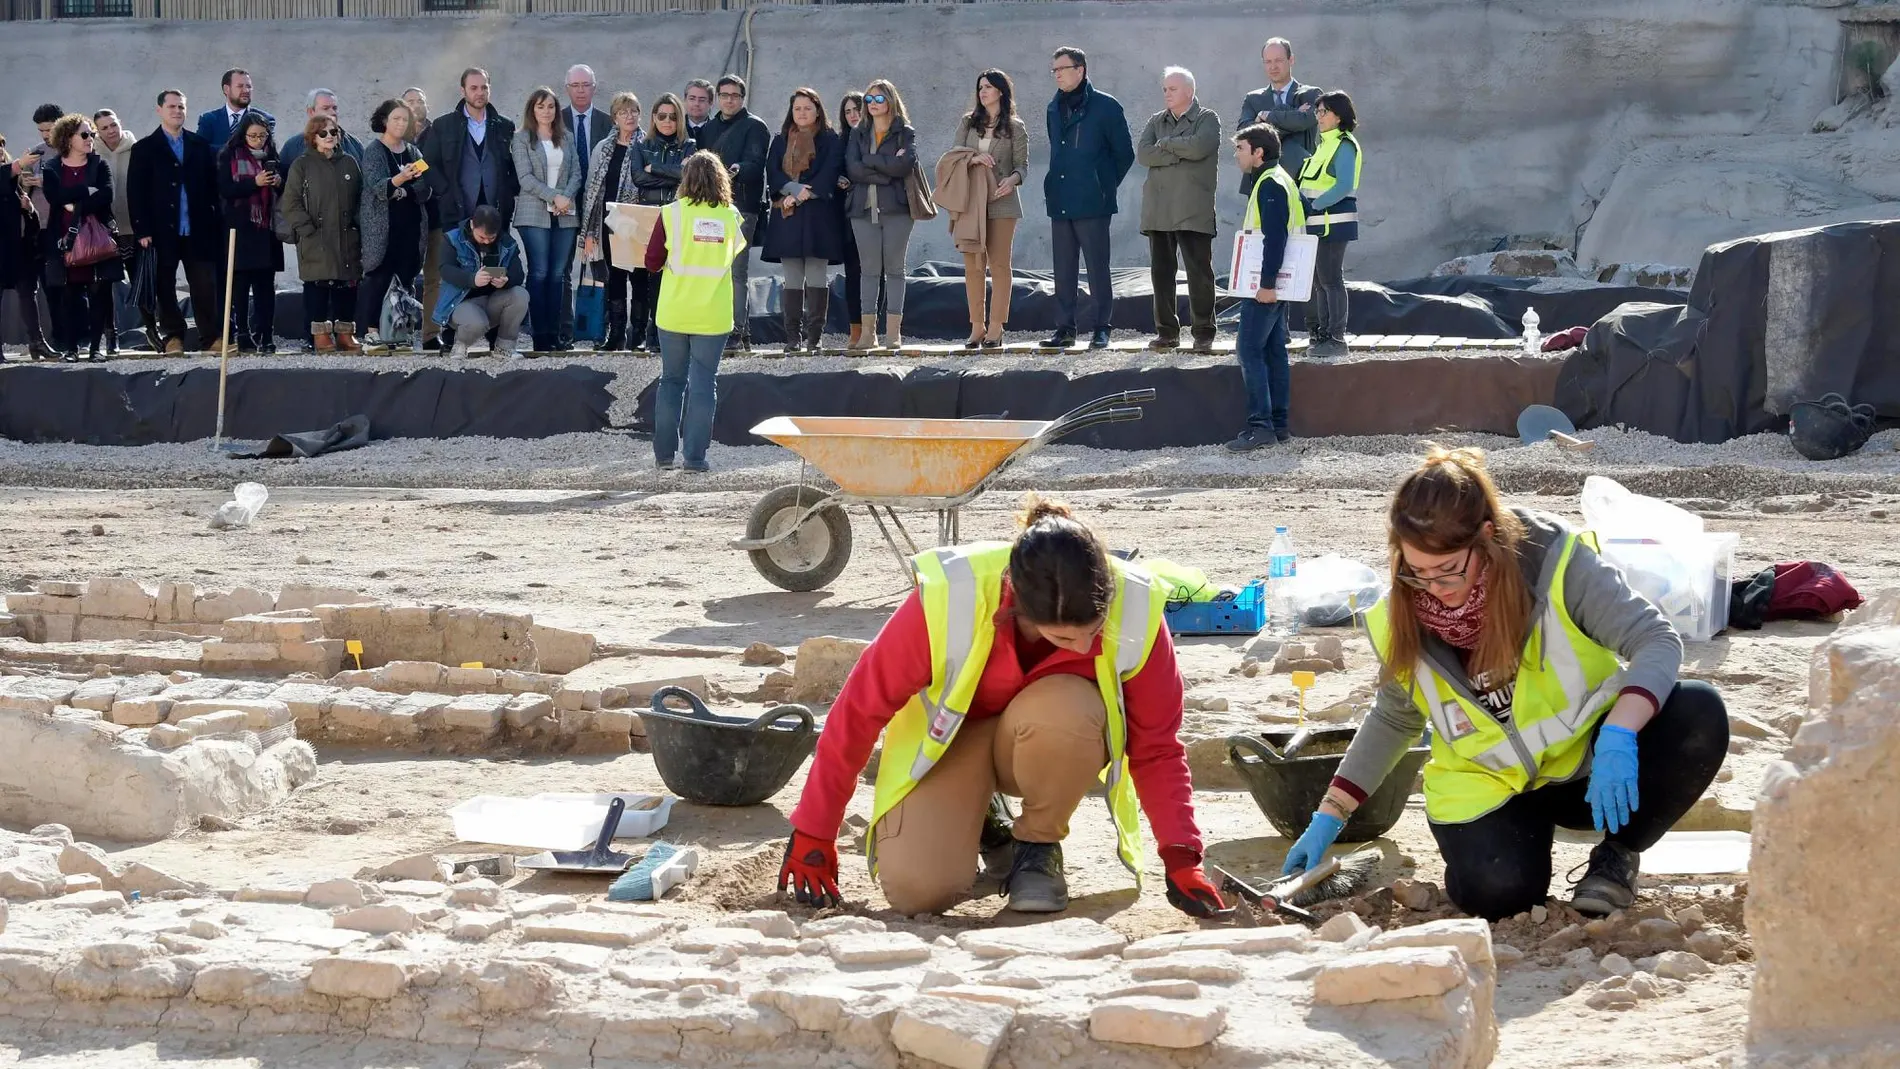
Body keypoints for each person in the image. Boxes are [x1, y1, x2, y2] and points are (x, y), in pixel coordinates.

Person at [1280, 446, 1730, 920]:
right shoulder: (1402, 612)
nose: (1435, 587)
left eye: (1449, 568)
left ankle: (1615, 858)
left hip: (1587, 766)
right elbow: (1395, 716)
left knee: (1698, 715)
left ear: (1485, 538)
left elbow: (1656, 640)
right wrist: (1329, 816)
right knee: (1499, 896)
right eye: (1418, 573)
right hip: (1489, 785)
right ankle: (1517, 848)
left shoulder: (1554, 564)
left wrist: (1620, 733)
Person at [776, 498, 1227, 919]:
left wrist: (1182, 857)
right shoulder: (952, 596)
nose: (1088, 646)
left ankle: (1038, 846)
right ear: (1020, 610)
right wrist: (816, 830)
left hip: (1054, 736)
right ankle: (988, 822)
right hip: (949, 743)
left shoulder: (1135, 606)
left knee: (1069, 705)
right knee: (918, 890)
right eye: (1067, 639)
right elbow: (859, 711)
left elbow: (1157, 747)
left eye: (1095, 630)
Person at [641, 151, 745, 472]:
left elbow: (652, 262)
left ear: (685, 180)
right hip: (712, 315)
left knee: (671, 381)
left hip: (674, 312)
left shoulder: (671, 214)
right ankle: (695, 459)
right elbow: (734, 256)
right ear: (721, 181)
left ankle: (663, 456)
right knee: (703, 384)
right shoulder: (731, 217)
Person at [1042, 46, 1134, 350]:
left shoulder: (1106, 107)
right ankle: (1065, 329)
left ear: (1080, 69)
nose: (1056, 74)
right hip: (1061, 199)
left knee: (1097, 266)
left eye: (1062, 68)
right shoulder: (1053, 108)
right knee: (1063, 268)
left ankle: (1101, 327)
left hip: (1094, 202)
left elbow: (1124, 154)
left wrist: (1103, 185)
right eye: (1053, 69)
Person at [128, 89, 223, 355]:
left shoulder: (199, 145)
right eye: (171, 106)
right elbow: (135, 191)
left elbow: (212, 187)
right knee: (164, 285)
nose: (177, 111)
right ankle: (173, 337)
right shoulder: (144, 148)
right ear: (159, 110)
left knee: (204, 285)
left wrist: (214, 220)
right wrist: (142, 229)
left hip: (197, 229)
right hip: (160, 231)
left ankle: (210, 338)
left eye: (181, 107)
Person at [1137, 66, 1221, 353]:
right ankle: (1166, 332)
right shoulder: (1155, 121)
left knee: (1199, 273)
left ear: (1189, 91)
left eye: (1172, 89)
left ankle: (1203, 332)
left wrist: (1168, 146)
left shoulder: (1208, 119)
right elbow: (1144, 154)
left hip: (1192, 209)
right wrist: (1177, 152)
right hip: (1158, 209)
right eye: (1164, 89)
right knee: (1161, 274)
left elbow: (1199, 148)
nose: (1167, 94)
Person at [1224, 124, 1297, 452]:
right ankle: (1278, 426)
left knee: (1249, 350)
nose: (1237, 154)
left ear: (1259, 153)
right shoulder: (1279, 179)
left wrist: (1267, 284)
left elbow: (1276, 238)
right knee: (1272, 352)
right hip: (1281, 283)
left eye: (1241, 148)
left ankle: (1261, 426)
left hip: (1267, 286)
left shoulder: (1269, 184)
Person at [762, 88, 845, 354]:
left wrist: (799, 195)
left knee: (817, 274)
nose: (802, 113)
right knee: (792, 276)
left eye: (807, 108)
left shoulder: (830, 139)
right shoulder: (780, 139)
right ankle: (792, 338)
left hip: (819, 215)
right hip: (787, 216)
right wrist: (790, 190)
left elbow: (831, 170)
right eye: (797, 108)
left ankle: (815, 337)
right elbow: (772, 171)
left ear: (818, 110)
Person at [952, 69, 1028, 349]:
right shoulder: (967, 123)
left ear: (1000, 91)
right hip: (972, 203)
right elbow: (953, 157)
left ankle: (996, 327)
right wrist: (973, 158)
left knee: (998, 266)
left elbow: (1023, 166)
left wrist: (1013, 179)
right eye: (980, 87)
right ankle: (976, 327)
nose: (983, 91)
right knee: (973, 267)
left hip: (1002, 202)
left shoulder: (1015, 126)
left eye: (988, 87)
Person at [38, 113, 123, 361]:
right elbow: (55, 197)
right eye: (85, 134)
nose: (90, 139)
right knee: (68, 296)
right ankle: (72, 348)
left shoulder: (99, 165)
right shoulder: (53, 167)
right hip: (64, 240)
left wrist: (75, 205)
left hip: (97, 239)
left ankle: (96, 348)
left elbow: (106, 194)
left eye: (91, 135)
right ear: (68, 139)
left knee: (99, 294)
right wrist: (85, 190)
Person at [279, 112, 363, 353]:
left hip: (347, 236)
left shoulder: (349, 162)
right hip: (316, 238)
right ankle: (320, 335)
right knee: (318, 287)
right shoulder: (302, 165)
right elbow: (290, 202)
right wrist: (307, 229)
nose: (329, 137)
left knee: (346, 286)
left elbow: (361, 197)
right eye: (323, 133)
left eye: (333, 132)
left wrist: (357, 223)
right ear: (312, 137)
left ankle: (346, 334)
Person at [844, 79, 917, 352]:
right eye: (869, 100)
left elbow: (905, 165)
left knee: (896, 270)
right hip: (862, 210)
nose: (873, 105)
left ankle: (893, 334)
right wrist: (886, 170)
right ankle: (868, 335)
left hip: (897, 209)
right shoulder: (857, 132)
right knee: (869, 271)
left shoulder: (904, 132)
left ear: (890, 100)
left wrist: (871, 162)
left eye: (879, 99)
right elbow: (853, 169)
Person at [697, 74, 768, 353]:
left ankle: (738, 332)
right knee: (715, 271)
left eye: (734, 95)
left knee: (737, 271)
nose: (729, 100)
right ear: (718, 98)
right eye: (724, 95)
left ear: (742, 98)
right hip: (710, 208)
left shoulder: (755, 126)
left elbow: (754, 165)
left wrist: (733, 170)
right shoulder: (708, 128)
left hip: (742, 208)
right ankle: (720, 328)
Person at [356, 99, 431, 352]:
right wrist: (402, 180)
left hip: (410, 228)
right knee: (378, 279)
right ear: (384, 121)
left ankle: (400, 332)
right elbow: (378, 187)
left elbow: (425, 189)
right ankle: (371, 332)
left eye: (405, 119)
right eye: (396, 118)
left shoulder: (413, 151)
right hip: (382, 229)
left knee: (406, 280)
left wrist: (401, 189)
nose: (401, 123)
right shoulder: (374, 151)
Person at [512, 86, 582, 352]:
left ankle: (556, 334)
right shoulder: (521, 138)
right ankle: (539, 334)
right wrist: (555, 197)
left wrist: (565, 197)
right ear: (532, 109)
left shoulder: (567, 136)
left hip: (565, 214)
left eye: (550, 106)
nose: (546, 111)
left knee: (558, 275)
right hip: (534, 213)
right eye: (540, 106)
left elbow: (577, 172)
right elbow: (525, 178)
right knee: (539, 272)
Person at [580, 91, 647, 352]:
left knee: (640, 279)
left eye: (633, 111)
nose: (629, 116)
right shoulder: (602, 148)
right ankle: (616, 334)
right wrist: (589, 231)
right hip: (608, 223)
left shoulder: (646, 144)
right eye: (623, 112)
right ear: (614, 118)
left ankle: (638, 334)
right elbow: (591, 191)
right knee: (614, 279)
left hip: (637, 224)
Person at [214, 112, 284, 354]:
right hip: (240, 228)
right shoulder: (229, 155)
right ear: (243, 135)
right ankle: (242, 332)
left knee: (266, 286)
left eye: (262, 136)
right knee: (240, 286)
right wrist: (254, 182)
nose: (257, 140)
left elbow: (285, 188)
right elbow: (225, 189)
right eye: (253, 136)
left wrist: (277, 183)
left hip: (266, 228)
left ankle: (266, 333)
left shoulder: (272, 155)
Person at [1298, 90, 1361, 358]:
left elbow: (1344, 185)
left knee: (1331, 280)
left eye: (1324, 112)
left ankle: (1336, 338)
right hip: (1317, 223)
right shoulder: (1323, 144)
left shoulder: (1345, 144)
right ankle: (1323, 335)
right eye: (1317, 112)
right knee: (1320, 282)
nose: (1319, 117)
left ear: (1339, 116)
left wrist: (1313, 206)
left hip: (1332, 223)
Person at [629, 93, 693, 350]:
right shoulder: (641, 146)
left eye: (673, 116)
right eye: (662, 116)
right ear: (654, 118)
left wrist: (653, 168)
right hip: (647, 214)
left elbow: (686, 177)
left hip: (676, 215)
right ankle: (641, 335)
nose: (667, 121)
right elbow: (637, 178)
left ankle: (662, 333)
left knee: (669, 277)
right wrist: (672, 174)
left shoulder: (690, 146)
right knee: (643, 275)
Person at [421, 68, 520, 235]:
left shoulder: (505, 126)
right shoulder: (443, 125)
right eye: (473, 88)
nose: (480, 93)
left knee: (495, 260)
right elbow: (426, 164)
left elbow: (517, 163)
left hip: (496, 212)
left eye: (484, 87)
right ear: (463, 91)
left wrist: (508, 191)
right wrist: (446, 191)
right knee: (457, 259)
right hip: (456, 210)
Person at [558, 65, 612, 350]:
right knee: (564, 269)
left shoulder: (607, 122)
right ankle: (566, 331)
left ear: (594, 87)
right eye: (575, 85)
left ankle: (600, 330)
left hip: (599, 209)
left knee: (600, 270)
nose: (580, 90)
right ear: (567, 88)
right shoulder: (556, 120)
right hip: (564, 205)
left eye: (586, 85)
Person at [434, 203, 527, 362]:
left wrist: (506, 280)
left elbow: (519, 273)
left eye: (491, 238)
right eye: (481, 237)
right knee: (477, 322)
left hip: (492, 301)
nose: (486, 241)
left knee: (520, 294)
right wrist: (472, 279)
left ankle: (504, 347)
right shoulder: (453, 239)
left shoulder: (506, 242)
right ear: (472, 225)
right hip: (460, 303)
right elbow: (445, 270)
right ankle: (460, 345)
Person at [1238, 38, 1322, 192]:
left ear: (1291, 60)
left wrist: (1266, 117)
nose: (1273, 67)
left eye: (1278, 60)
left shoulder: (1310, 94)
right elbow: (1244, 133)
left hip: (1300, 177)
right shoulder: (1253, 98)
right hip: (1260, 180)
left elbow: (1306, 120)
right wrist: (1293, 116)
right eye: (1268, 61)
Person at [2, 134, 57, 360]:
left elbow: (29, 221)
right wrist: (19, 165)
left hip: (20, 249)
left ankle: (38, 343)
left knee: (28, 294)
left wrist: (29, 209)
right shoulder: (8, 175)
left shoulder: (14, 182)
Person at [93, 109, 139, 355]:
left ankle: (153, 329)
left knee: (140, 281)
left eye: (113, 125)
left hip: (133, 227)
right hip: (105, 231)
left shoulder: (137, 148)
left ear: (120, 123)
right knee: (105, 285)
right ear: (97, 131)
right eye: (104, 128)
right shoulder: (92, 153)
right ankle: (111, 336)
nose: (111, 131)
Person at [402, 87, 443, 350]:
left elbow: (435, 166)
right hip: (405, 216)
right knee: (403, 276)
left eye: (420, 101)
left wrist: (417, 168)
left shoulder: (438, 133)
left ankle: (431, 333)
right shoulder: (394, 136)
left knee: (434, 276)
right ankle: (401, 333)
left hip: (436, 214)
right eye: (410, 101)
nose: (416, 105)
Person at [834, 90, 867, 348]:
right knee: (853, 272)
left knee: (876, 273)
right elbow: (829, 172)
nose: (853, 115)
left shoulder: (876, 137)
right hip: (848, 215)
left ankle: (873, 328)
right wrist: (838, 180)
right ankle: (855, 330)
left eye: (857, 109)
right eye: (848, 111)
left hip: (875, 212)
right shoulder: (839, 141)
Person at [279, 89, 363, 171]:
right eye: (325, 108)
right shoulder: (293, 146)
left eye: (334, 108)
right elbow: (282, 180)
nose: (332, 112)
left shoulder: (354, 144)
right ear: (311, 112)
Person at [197, 68, 275, 148]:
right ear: (226, 89)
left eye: (249, 86)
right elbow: (200, 150)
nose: (246, 90)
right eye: (240, 86)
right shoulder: (208, 119)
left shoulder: (264, 119)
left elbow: (267, 151)